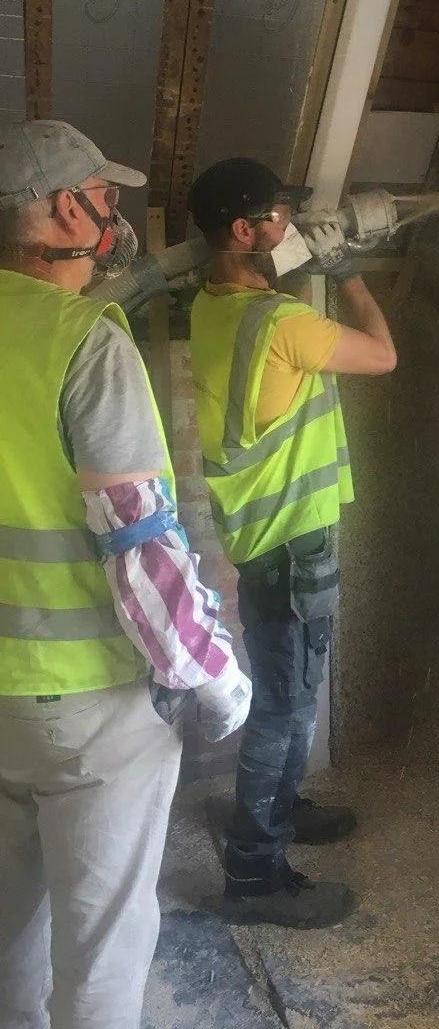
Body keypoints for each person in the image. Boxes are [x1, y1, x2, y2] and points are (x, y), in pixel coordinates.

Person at [0, 120, 252, 1029]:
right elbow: (140, 549)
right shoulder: (86, 343)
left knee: (6, 937)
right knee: (101, 951)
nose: (114, 214)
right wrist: (214, 681)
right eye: (104, 198)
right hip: (89, 709)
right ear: (67, 209)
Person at [187, 157, 396, 929]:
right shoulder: (281, 325)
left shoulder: (215, 306)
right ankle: (255, 874)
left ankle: (282, 804)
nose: (290, 225)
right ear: (245, 231)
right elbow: (383, 353)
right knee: (283, 708)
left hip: (261, 539)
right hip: (291, 547)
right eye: (278, 215)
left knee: (291, 696)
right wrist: (345, 271)